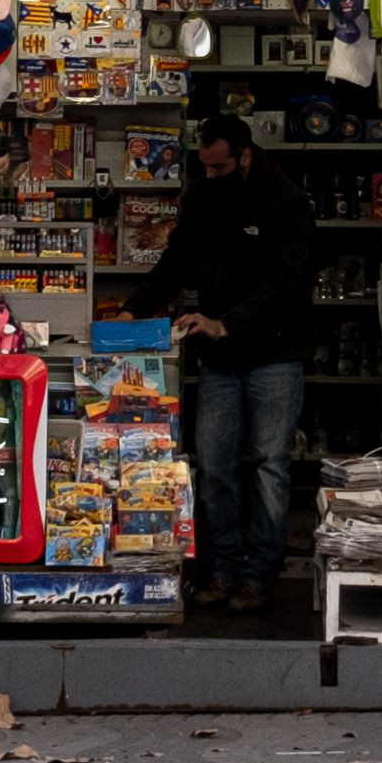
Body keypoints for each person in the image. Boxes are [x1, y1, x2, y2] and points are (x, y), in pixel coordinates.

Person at [120, 113, 321, 613]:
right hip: (220, 360)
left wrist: (226, 323)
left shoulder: (288, 203)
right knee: (213, 469)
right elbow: (175, 262)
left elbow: (288, 283)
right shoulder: (202, 197)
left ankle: (259, 576)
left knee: (269, 467)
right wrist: (131, 309)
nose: (210, 175)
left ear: (245, 155)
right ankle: (223, 570)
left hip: (275, 353)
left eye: (219, 166)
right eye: (204, 166)